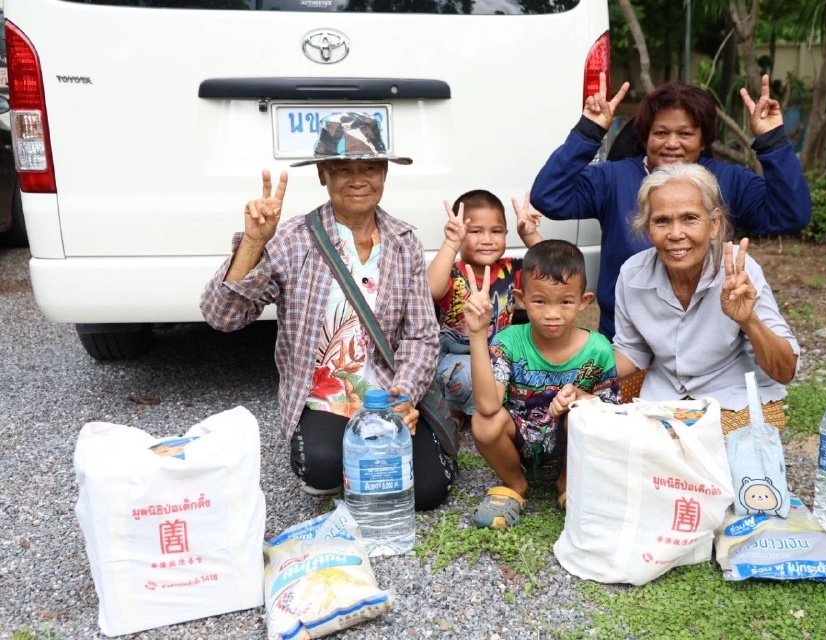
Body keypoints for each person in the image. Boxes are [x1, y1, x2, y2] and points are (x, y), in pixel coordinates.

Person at [200, 112, 453, 511]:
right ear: (323, 175)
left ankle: (365, 463)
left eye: (369, 167)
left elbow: (421, 335)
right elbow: (222, 315)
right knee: (322, 467)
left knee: (428, 492)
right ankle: (341, 462)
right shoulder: (293, 239)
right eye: (342, 169)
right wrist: (252, 243)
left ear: (384, 173)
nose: (357, 180)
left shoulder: (404, 242)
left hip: (386, 395)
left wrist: (403, 398)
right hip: (324, 398)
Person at [530, 72, 811, 340]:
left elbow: (790, 214)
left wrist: (772, 141)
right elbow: (549, 197)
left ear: (703, 140)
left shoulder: (729, 180)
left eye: (685, 134)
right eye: (661, 133)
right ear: (644, 137)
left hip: (708, 339)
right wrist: (588, 132)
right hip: (626, 338)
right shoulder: (613, 178)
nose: (672, 144)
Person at [612, 163, 800, 434]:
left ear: (714, 225)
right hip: (662, 397)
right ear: (647, 227)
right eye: (662, 221)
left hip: (732, 398)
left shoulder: (740, 270)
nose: (676, 234)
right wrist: (575, 370)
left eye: (690, 218)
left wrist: (749, 321)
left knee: (723, 458)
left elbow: (785, 371)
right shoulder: (632, 274)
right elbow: (631, 351)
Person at [462, 240, 620, 529]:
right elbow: (487, 406)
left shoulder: (598, 348)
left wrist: (579, 397)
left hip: (571, 447)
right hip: (519, 439)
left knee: (586, 416)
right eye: (540, 301)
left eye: (565, 302)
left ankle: (567, 483)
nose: (552, 313)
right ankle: (515, 484)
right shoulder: (508, 340)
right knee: (484, 422)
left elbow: (610, 417)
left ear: (584, 301)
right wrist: (477, 333)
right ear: (521, 298)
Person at [427, 189, 544, 422]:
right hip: (455, 359)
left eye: (496, 231)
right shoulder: (451, 272)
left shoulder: (514, 270)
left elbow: (556, 269)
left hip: (498, 357)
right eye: (476, 231)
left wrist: (530, 235)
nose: (487, 239)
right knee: (465, 373)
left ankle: (496, 415)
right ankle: (455, 419)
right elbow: (430, 289)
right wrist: (451, 243)